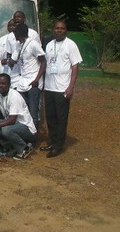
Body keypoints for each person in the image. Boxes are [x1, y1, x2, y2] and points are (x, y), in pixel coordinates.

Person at [41, 20, 82, 158]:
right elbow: (46, 63)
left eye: (62, 28)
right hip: (49, 87)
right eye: (57, 28)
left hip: (63, 89)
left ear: (66, 30)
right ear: (53, 30)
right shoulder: (49, 45)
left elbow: (75, 67)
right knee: (50, 117)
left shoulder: (71, 45)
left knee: (61, 118)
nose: (59, 30)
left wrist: (70, 87)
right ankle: (52, 142)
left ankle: (58, 146)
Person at [0, 73, 36, 160]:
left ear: (9, 85)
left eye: (3, 83)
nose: (0, 85)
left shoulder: (14, 96)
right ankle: (9, 147)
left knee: (5, 129)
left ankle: (24, 149)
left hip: (26, 128)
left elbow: (12, 120)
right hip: (14, 125)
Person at [12, 23, 46, 129]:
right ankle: (25, 133)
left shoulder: (33, 44)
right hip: (23, 82)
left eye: (15, 32)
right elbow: (14, 60)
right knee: (23, 111)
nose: (13, 34)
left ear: (20, 32)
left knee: (33, 112)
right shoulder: (20, 44)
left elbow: (43, 62)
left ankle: (33, 138)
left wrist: (37, 79)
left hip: (33, 83)